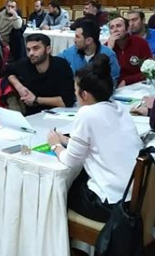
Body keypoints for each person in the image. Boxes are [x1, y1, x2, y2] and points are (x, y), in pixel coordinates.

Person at [47, 55, 143, 222]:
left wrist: (56, 145)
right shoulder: (119, 108)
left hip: (113, 203)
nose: (75, 94)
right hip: (136, 194)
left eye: (76, 90)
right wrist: (67, 141)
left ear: (84, 95)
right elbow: (100, 144)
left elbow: (71, 161)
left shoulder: (87, 113)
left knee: (58, 192)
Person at [5, 33, 75, 115]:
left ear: (48, 49)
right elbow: (8, 71)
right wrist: (19, 86)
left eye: (36, 48)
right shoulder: (25, 63)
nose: (31, 53)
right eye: (28, 49)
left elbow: (67, 101)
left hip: (58, 113)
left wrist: (36, 100)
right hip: (31, 114)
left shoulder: (61, 66)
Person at [106, 16, 152, 87]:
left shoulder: (140, 43)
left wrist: (127, 81)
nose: (115, 30)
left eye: (118, 26)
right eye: (112, 27)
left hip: (138, 85)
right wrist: (109, 49)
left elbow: (149, 70)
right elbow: (100, 72)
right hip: (114, 86)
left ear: (127, 29)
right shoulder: (106, 47)